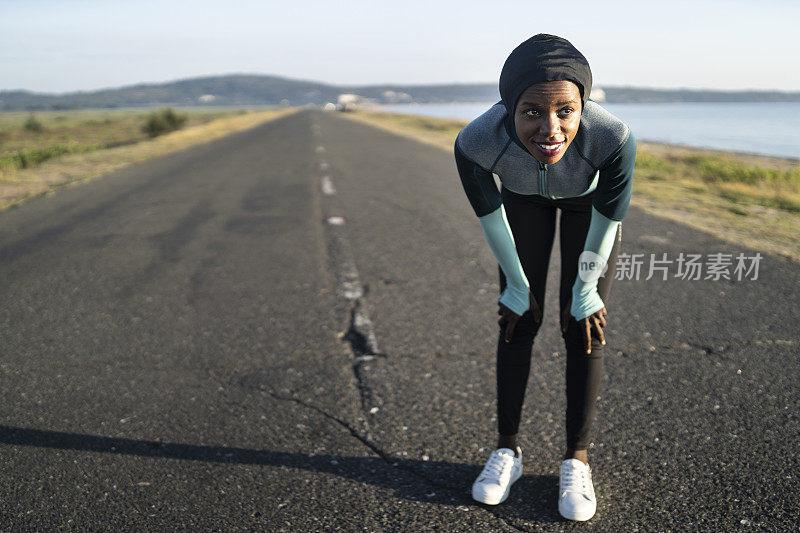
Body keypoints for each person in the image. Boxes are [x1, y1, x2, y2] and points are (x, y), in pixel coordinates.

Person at [454, 34, 636, 521]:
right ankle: (507, 452)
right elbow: (491, 220)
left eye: (566, 112)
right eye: (531, 111)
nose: (550, 129)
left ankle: (576, 459)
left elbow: (609, 220)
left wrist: (586, 290)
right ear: (508, 107)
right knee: (518, 319)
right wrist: (515, 286)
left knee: (583, 323)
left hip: (588, 207)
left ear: (584, 106)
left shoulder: (612, 137)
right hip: (522, 201)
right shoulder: (476, 142)